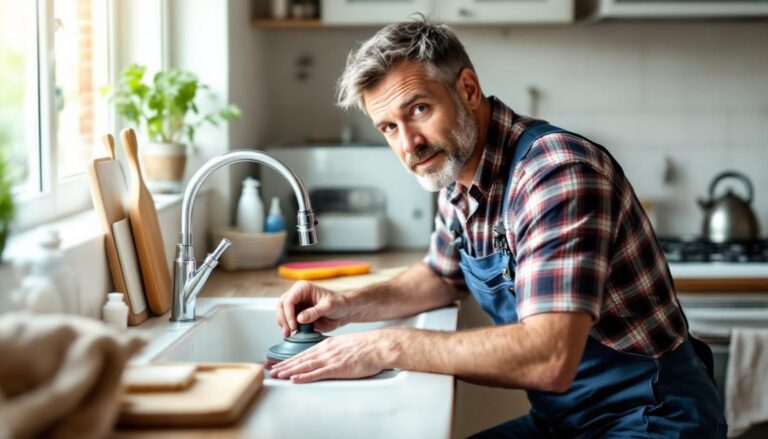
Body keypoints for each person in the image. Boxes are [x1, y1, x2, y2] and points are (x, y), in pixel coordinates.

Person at [270, 16, 726, 437]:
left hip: (649, 415)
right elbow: (440, 275)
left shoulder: (555, 173)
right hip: (565, 420)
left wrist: (386, 346)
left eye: (419, 110)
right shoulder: (456, 170)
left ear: (467, 89)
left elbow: (549, 357)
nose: (409, 143)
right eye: (388, 127)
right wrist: (348, 304)